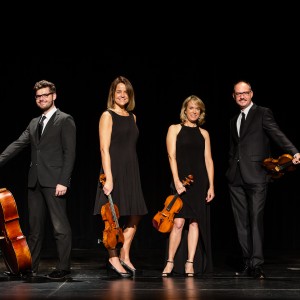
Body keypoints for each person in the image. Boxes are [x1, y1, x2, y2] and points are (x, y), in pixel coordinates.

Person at [0, 80, 76, 279]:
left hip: (54, 181)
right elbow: (18, 144)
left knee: (60, 227)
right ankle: (29, 266)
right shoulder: (34, 122)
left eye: (45, 95)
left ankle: (64, 267)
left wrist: (64, 180)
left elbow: (70, 153)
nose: (42, 98)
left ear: (54, 96)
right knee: (34, 228)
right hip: (34, 181)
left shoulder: (65, 119)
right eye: (38, 96)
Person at [226, 80, 300, 279]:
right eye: (238, 93)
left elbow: (276, 133)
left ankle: (256, 265)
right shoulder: (233, 120)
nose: (242, 96)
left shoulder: (262, 113)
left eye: (245, 93)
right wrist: (231, 168)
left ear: (251, 94)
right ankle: (247, 262)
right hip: (236, 176)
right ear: (233, 96)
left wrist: (293, 151)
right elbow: (235, 148)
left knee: (256, 220)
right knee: (241, 223)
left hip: (257, 175)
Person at [94, 76, 148, 278]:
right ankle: (113, 257)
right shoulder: (107, 116)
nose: (122, 95)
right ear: (112, 94)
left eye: (126, 91)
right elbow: (104, 148)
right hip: (113, 169)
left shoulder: (132, 117)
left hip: (131, 169)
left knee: (136, 212)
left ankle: (124, 253)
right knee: (112, 218)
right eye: (118, 91)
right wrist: (108, 177)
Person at [162, 95, 215, 277]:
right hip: (181, 181)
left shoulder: (204, 133)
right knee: (177, 222)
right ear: (185, 109)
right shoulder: (174, 129)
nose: (194, 111)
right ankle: (170, 262)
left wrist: (211, 186)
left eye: (197, 109)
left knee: (194, 223)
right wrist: (176, 180)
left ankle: (190, 263)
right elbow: (171, 156)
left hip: (200, 182)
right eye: (191, 108)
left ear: (200, 112)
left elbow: (208, 160)